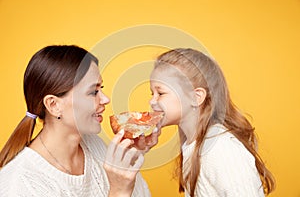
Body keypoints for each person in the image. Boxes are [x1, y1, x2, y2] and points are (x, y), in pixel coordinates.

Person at [0, 45, 157, 196]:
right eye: (93, 92)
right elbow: (122, 192)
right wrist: (118, 192)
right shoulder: (21, 185)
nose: (105, 99)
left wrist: (129, 158)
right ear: (54, 105)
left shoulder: (94, 145)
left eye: (101, 89)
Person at [149, 48, 275, 197]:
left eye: (160, 93)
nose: (152, 101)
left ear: (196, 97)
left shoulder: (221, 147)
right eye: (152, 93)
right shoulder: (193, 144)